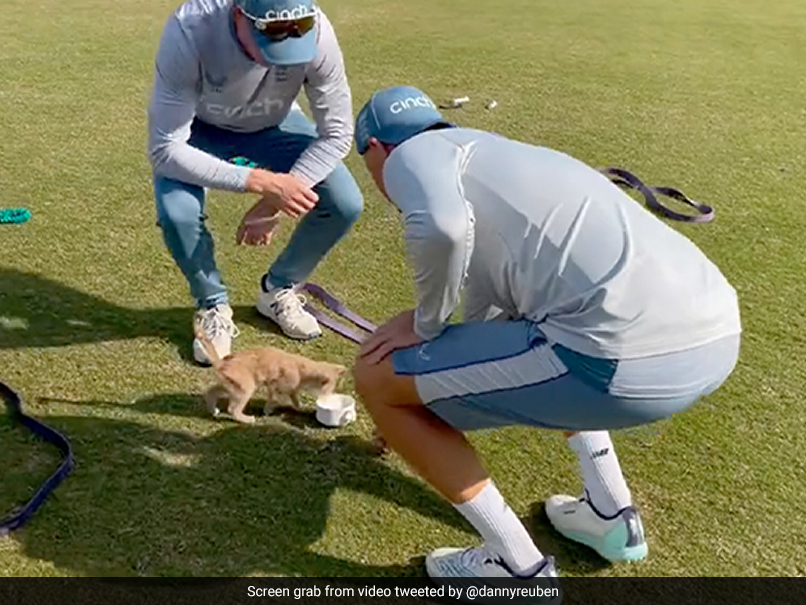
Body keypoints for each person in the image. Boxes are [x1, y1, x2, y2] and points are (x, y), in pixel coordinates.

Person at [351, 85, 741, 580]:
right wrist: (427, 387)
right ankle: (609, 517)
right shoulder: (492, 151)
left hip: (624, 360)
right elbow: (495, 323)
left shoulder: (407, 156)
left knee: (376, 375)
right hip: (718, 336)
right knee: (552, 330)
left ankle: (518, 569)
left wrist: (423, 326)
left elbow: (443, 228)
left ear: (376, 148)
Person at [147, 0, 363, 365]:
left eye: (296, 34)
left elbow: (337, 133)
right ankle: (212, 305)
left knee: (343, 202)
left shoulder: (317, 32)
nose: (283, 52)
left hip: (273, 126)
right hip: (197, 129)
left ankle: (277, 289)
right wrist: (260, 182)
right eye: (271, 35)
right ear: (238, 15)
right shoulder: (190, 29)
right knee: (177, 213)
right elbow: (166, 149)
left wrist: (276, 198)